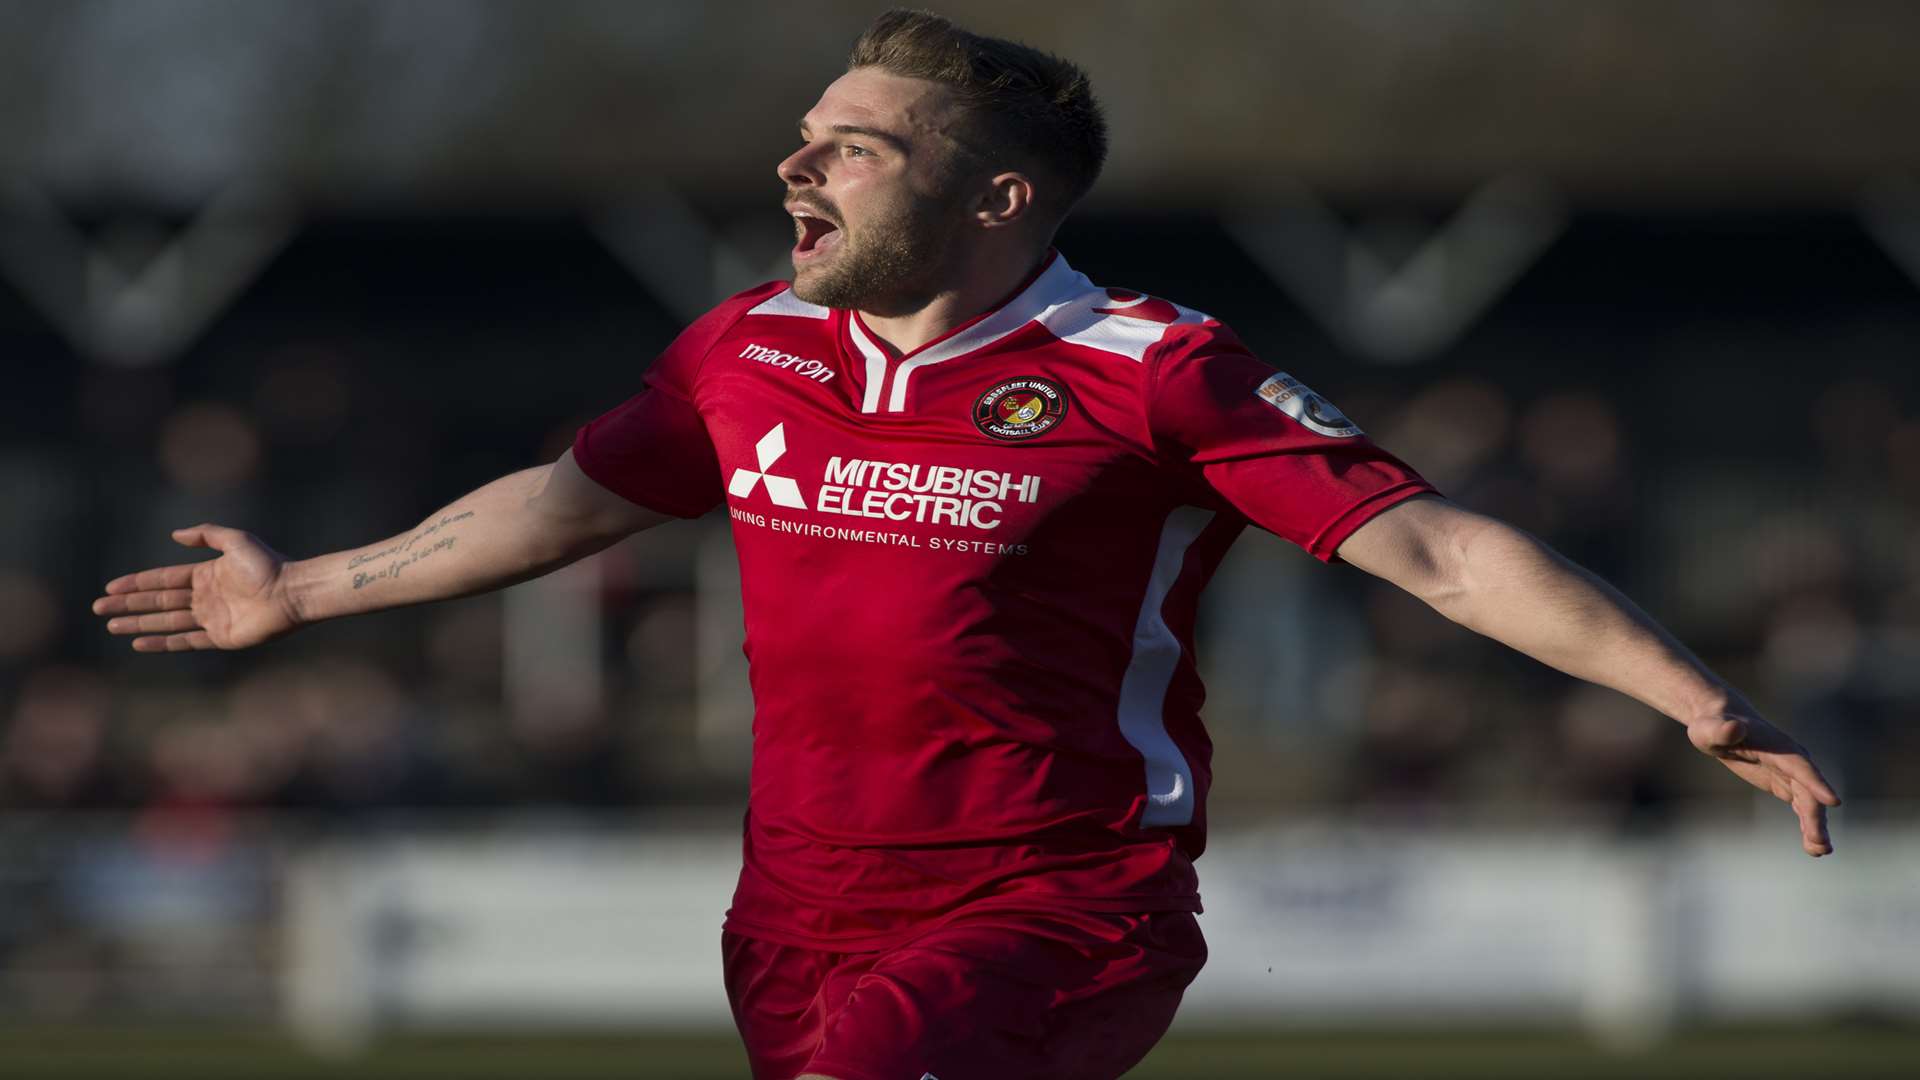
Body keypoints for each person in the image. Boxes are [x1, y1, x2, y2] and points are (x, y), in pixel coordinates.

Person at [92, 11, 1840, 1079]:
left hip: (1056, 906)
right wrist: (303, 589)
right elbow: (564, 503)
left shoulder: (1151, 370)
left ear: (997, 198)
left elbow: (1441, 557)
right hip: (790, 908)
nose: (802, 161)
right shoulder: (741, 348)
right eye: (807, 134)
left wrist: (1687, 695)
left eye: (857, 144)